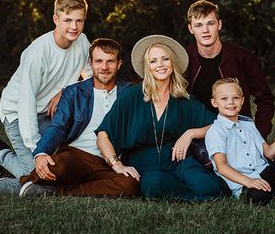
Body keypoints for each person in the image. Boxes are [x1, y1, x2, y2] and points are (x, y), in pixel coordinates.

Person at [0, 40, 139, 200]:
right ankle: (29, 182)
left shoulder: (129, 93)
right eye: (98, 61)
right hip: (76, 157)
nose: (104, 67)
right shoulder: (74, 92)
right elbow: (58, 127)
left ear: (119, 64)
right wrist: (41, 153)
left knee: (130, 184)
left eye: (110, 61)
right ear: (90, 63)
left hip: (109, 162)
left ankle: (46, 190)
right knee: (54, 166)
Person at [95, 36, 229, 202]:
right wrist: (117, 164)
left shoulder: (183, 99)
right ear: (147, 66)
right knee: (152, 185)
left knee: (210, 188)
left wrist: (191, 133)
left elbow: (219, 124)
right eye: (153, 61)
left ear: (172, 63)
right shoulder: (131, 96)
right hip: (145, 166)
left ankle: (187, 192)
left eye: (165, 59)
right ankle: (188, 195)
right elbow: (103, 135)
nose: (160, 65)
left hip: (179, 161)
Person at [0, 0, 90, 182]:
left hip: (49, 112)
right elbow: (26, 101)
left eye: (79, 21)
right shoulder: (38, 52)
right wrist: (37, 150)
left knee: (60, 164)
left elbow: (92, 78)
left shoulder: (82, 42)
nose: (74, 27)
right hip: (17, 112)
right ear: (55, 19)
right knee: (38, 174)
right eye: (67, 20)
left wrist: (66, 91)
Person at [185, 0, 275, 139]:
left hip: (237, 132)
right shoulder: (184, 59)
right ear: (191, 29)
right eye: (198, 25)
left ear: (219, 24)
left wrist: (259, 134)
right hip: (199, 134)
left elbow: (265, 98)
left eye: (210, 23)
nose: (205, 30)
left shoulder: (242, 57)